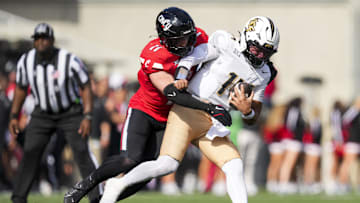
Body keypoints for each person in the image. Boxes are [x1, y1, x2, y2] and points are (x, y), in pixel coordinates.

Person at [99, 16, 280, 203]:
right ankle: (117, 184)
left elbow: (253, 116)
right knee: (166, 164)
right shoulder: (226, 44)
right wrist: (181, 75)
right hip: (188, 110)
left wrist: (246, 111)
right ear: (246, 38)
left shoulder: (263, 73)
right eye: (256, 49)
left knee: (234, 165)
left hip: (214, 121)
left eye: (266, 53)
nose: (259, 56)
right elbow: (192, 56)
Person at [64, 7, 231, 203]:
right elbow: (173, 93)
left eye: (188, 37)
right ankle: (85, 185)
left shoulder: (199, 38)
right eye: (180, 40)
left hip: (169, 117)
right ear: (166, 38)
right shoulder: (154, 54)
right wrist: (210, 108)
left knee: (151, 169)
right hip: (145, 110)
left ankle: (101, 199)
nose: (187, 43)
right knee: (129, 159)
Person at [8, 23, 102, 203]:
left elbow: (85, 85)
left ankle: (96, 198)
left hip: (70, 112)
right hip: (42, 113)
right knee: (30, 152)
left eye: (45, 38)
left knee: (82, 152)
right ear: (34, 41)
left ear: (52, 40)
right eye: (38, 38)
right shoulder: (26, 61)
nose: (41, 42)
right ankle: (18, 199)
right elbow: (20, 88)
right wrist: (14, 115)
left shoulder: (68, 60)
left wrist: (87, 115)